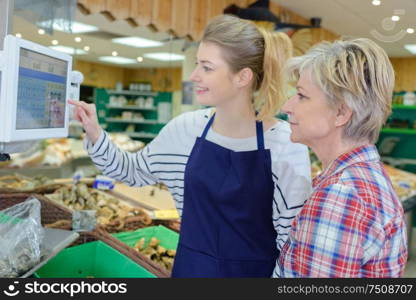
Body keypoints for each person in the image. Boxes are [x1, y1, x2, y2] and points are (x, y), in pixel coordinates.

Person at [69, 14, 311, 278]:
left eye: (207, 67)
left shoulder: (285, 142)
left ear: (242, 77)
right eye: (197, 64)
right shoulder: (185, 129)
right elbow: (132, 171)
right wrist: (94, 132)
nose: (194, 76)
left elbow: (293, 241)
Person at [277, 38, 408, 277]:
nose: (287, 106)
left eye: (301, 95)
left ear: (340, 113)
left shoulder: (341, 195)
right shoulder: (360, 178)